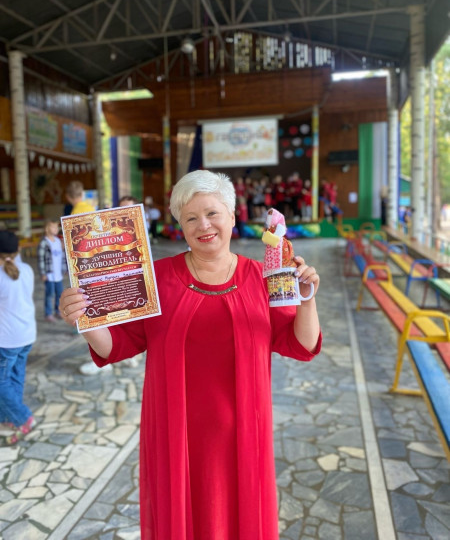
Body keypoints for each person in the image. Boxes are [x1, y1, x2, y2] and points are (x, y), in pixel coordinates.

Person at [59, 169, 322, 540]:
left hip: (245, 430)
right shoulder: (155, 278)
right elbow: (118, 345)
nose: (204, 225)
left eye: (213, 213)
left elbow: (301, 343)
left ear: (233, 216)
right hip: (175, 432)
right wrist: (86, 319)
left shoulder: (264, 277)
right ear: (180, 225)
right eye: (191, 218)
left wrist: (307, 299)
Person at [78, 195, 140, 376]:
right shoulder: (111, 230)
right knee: (104, 318)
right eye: (120, 208)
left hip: (130, 281)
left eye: (128, 208)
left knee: (130, 318)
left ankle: (129, 355)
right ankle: (103, 360)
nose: (123, 212)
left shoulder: (139, 231)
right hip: (108, 282)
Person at [0, 231, 37, 445]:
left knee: (2, 381)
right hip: (26, 335)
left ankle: (23, 417)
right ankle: (9, 418)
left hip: (6, 340)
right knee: (15, 377)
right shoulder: (27, 270)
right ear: (18, 250)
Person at [37, 219, 66, 322]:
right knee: (49, 294)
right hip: (49, 274)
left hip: (58, 274)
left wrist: (64, 268)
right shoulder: (44, 243)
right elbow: (41, 259)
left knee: (59, 294)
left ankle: (58, 311)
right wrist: (43, 273)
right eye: (53, 227)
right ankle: (48, 314)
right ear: (46, 229)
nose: (56, 229)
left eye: (56, 227)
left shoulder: (58, 241)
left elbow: (62, 256)